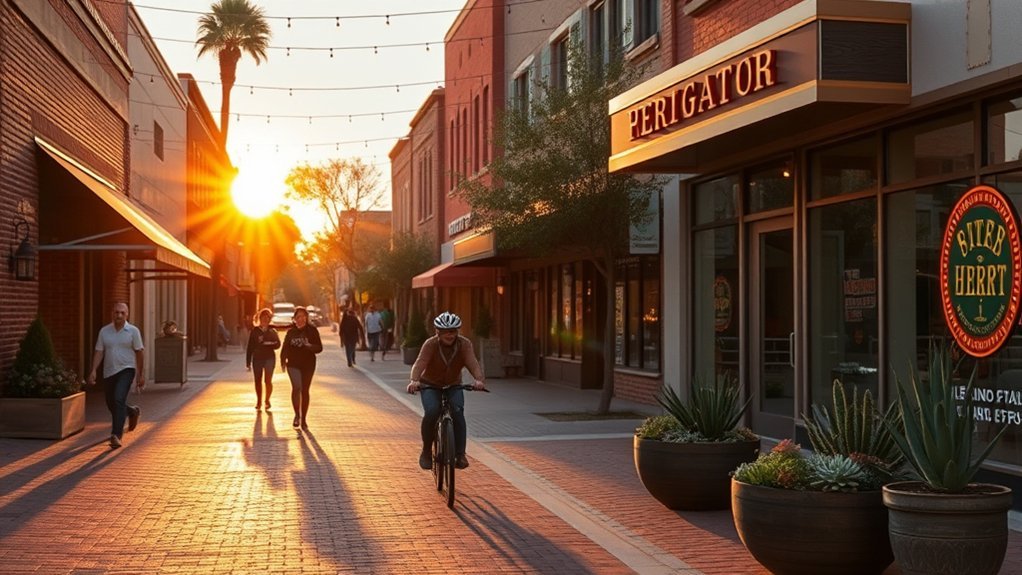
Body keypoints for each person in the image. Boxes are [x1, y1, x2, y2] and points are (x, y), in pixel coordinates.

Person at [406, 311, 487, 470]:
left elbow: (472, 362)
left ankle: (460, 454)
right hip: (430, 385)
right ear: (438, 332)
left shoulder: (464, 344)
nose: (450, 335)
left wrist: (479, 379)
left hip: (453, 385)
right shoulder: (430, 344)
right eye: (445, 332)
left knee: (457, 411)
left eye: (453, 331)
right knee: (432, 411)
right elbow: (420, 363)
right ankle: (426, 452)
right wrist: (414, 380)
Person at [87, 302, 144, 449]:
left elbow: (139, 352)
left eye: (122, 313)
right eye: (116, 312)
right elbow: (99, 351)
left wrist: (140, 374)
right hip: (109, 371)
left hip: (127, 369)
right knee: (112, 404)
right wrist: (94, 370)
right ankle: (132, 411)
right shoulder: (104, 331)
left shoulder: (133, 331)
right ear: (112, 313)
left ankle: (116, 435)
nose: (119, 315)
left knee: (118, 399)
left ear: (127, 315)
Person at [280, 306, 323, 430]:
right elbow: (285, 347)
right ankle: (296, 415)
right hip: (293, 364)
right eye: (298, 317)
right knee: (297, 386)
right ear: (294, 319)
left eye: (304, 317)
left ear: (307, 318)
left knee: (305, 390)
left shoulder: (312, 331)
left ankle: (304, 419)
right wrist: (283, 360)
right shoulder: (291, 332)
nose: (301, 319)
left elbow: (319, 348)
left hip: (308, 364)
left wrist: (309, 346)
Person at [246, 308, 281, 411]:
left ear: (269, 320)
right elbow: (250, 346)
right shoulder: (255, 331)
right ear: (259, 319)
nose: (265, 320)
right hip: (257, 358)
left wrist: (271, 344)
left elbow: (278, 344)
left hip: (269, 358)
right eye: (263, 318)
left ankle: (267, 400)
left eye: (267, 318)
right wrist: (248, 361)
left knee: (268, 381)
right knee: (258, 380)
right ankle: (259, 401)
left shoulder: (272, 331)